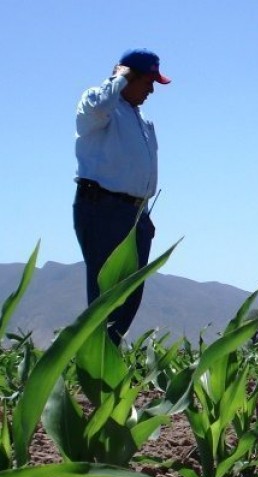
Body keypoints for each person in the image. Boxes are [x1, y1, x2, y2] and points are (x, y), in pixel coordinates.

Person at [73, 49, 170, 345]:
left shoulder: (140, 119)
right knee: (107, 290)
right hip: (103, 206)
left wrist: (144, 215)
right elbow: (100, 105)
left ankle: (109, 350)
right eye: (148, 82)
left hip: (135, 213)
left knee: (130, 290)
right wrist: (118, 77)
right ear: (129, 77)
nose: (152, 90)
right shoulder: (100, 105)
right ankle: (95, 357)